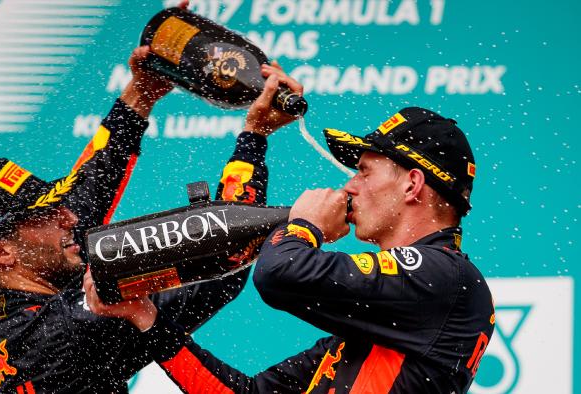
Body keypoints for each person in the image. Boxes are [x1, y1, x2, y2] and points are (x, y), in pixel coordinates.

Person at [87, 68, 495, 393]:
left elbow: (279, 273)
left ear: (413, 184)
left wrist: (306, 226)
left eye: (365, 172)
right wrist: (147, 319)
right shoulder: (387, 320)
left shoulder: (446, 277)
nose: (350, 186)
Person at [0, 35, 295, 391]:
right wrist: (255, 135)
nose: (69, 218)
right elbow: (223, 259)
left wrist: (142, 92)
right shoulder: (74, 325)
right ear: (1, 252)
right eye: (46, 215)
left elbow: (86, 193)